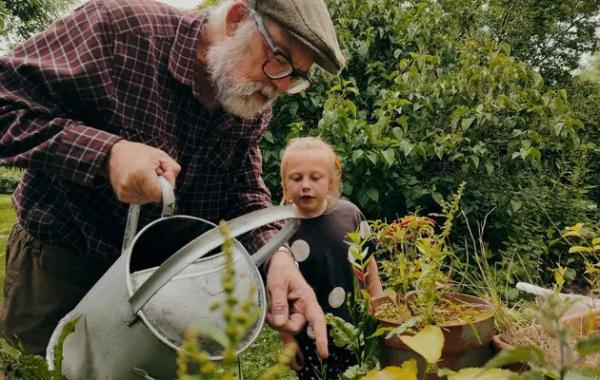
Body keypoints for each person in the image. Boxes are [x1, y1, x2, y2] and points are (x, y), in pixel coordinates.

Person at [0, 0, 346, 357]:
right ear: (236, 18)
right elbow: (6, 103)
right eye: (280, 57)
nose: (281, 83)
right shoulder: (122, 31)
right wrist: (107, 154)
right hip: (60, 268)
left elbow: (242, 192)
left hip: (160, 285)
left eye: (297, 76)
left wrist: (278, 257)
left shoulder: (251, 98)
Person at [277, 137, 383, 379]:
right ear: (284, 183)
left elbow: (368, 265)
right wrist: (287, 339)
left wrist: (379, 305)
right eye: (296, 178)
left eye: (315, 178)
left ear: (331, 182)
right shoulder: (280, 229)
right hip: (309, 337)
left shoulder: (350, 215)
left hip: (356, 329)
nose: (305, 185)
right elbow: (279, 295)